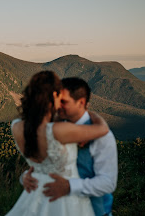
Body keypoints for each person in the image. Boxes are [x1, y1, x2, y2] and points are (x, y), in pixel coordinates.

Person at [6, 71, 109, 216]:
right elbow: (102, 129)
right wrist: (86, 111)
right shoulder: (58, 131)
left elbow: (40, 164)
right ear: (54, 95)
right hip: (64, 199)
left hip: (34, 195)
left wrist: (24, 177)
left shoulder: (16, 126)